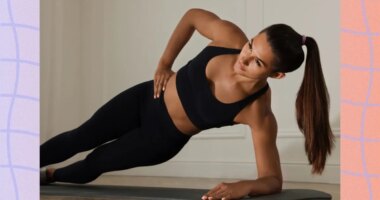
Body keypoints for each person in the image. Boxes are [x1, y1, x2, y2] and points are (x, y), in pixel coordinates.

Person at [40, 8, 335, 200]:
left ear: (276, 75)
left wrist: (243, 186)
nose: (243, 58)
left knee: (97, 161)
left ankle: (51, 176)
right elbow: (192, 16)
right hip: (146, 98)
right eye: (250, 46)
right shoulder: (229, 37)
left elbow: (272, 180)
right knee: (79, 136)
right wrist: (164, 64)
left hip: (160, 139)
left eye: (257, 62)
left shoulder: (257, 110)